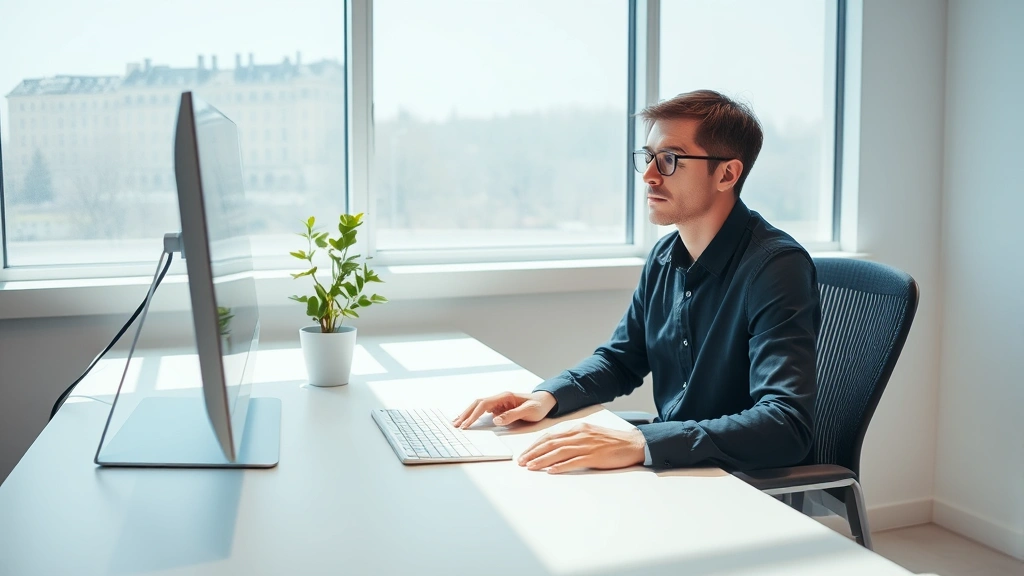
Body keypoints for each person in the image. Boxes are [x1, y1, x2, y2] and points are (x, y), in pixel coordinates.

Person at [453, 89, 820, 474]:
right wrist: (546, 396)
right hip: (677, 464)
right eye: (648, 157)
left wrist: (642, 441)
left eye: (670, 160)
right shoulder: (664, 257)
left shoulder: (776, 268)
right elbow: (621, 360)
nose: (648, 175)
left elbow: (785, 426)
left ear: (727, 174)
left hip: (731, 478)